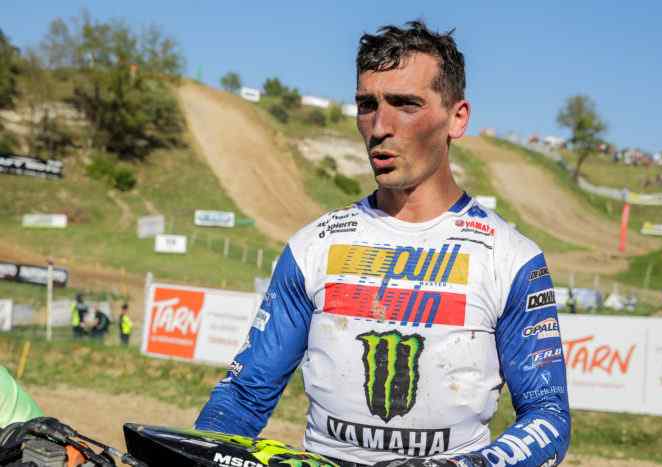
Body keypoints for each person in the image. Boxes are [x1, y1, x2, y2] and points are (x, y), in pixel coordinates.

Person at [196, 20, 570, 467]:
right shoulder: (314, 246)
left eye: (406, 104)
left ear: (457, 118)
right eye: (367, 105)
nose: (379, 127)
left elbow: (548, 417)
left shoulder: (512, 258)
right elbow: (243, 396)